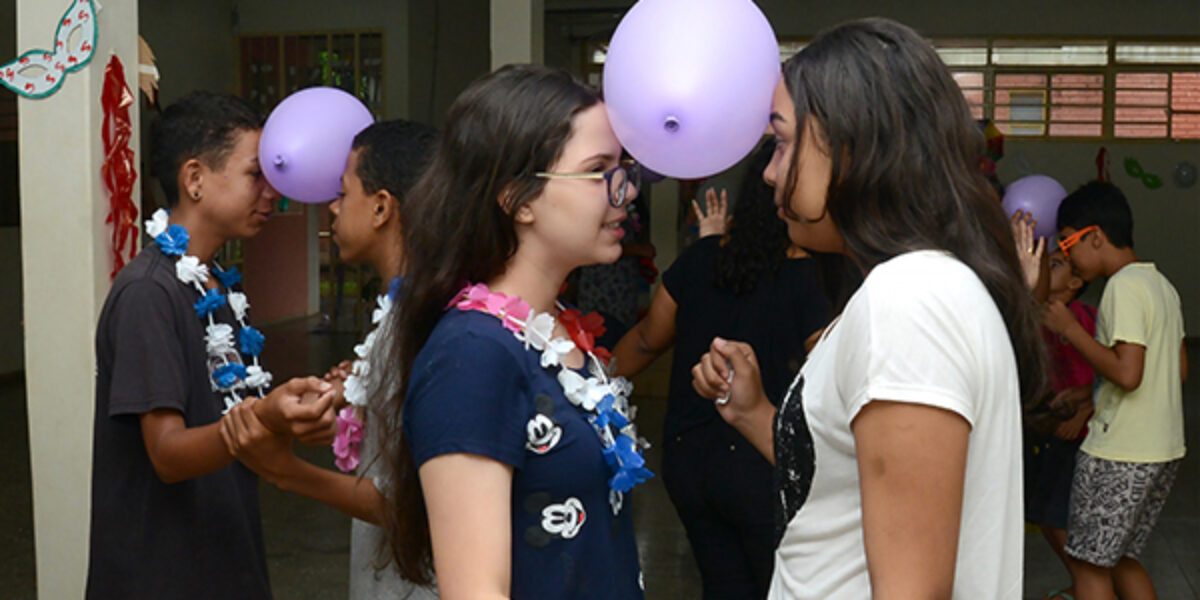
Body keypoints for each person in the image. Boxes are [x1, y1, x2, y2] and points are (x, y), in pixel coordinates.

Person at [691, 18, 1048, 598]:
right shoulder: (916, 289)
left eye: (781, 142)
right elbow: (842, 491)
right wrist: (757, 411)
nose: (769, 172)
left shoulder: (908, 303)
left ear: (851, 146)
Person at [380, 64, 649, 599]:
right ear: (517, 199)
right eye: (598, 172)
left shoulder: (557, 332)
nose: (625, 193)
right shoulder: (472, 354)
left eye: (624, 170)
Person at [87, 91, 338, 599]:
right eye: (255, 175)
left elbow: (234, 425)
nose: (274, 193)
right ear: (195, 178)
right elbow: (168, 454)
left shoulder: (216, 286)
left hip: (223, 559)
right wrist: (264, 418)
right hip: (161, 575)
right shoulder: (148, 293)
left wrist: (296, 413)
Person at [220, 120, 439, 599]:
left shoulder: (429, 327)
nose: (333, 209)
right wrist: (353, 399)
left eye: (343, 194)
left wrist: (284, 470)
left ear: (382, 207)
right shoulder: (405, 313)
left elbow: (417, 502)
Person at [612, 140, 828, 599]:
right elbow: (827, 372)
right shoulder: (811, 279)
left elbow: (647, 340)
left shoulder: (699, 260)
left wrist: (582, 380)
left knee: (723, 587)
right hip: (766, 463)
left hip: (690, 461)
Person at [1043, 181, 1187, 600]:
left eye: (1067, 247)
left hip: (1118, 452)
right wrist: (1089, 394)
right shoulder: (1162, 287)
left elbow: (1128, 374)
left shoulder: (1122, 287)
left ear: (1095, 236)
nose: (1068, 260)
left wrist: (1070, 330)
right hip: (1161, 450)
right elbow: (1177, 370)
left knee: (1088, 565)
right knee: (1121, 557)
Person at [1014, 210, 1097, 600]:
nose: (1048, 266)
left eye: (1058, 264)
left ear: (1078, 282)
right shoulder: (1036, 318)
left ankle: (1091, 585)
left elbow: (1109, 373)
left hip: (1078, 436)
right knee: (1044, 514)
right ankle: (1084, 582)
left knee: (1061, 519)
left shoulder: (1087, 318)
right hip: (1046, 432)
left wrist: (1083, 406)